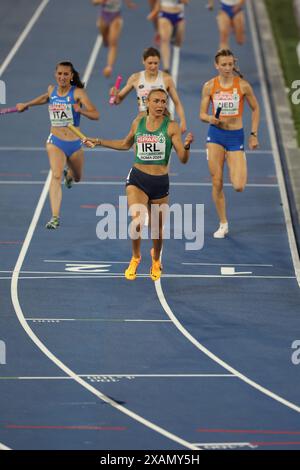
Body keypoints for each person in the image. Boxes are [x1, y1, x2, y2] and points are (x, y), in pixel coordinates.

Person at [84, 88, 193, 280]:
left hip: (160, 182)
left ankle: (156, 260)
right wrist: (99, 141)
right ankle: (135, 257)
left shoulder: (171, 126)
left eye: (163, 101)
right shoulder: (138, 122)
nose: (160, 105)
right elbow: (125, 144)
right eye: (156, 101)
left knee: (157, 230)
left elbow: (183, 159)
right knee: (137, 221)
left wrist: (187, 146)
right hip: (138, 178)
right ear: (147, 103)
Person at [16, 61, 99, 229]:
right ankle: (55, 217)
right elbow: (44, 98)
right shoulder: (51, 90)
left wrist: (80, 110)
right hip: (56, 141)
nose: (62, 77)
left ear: (71, 76)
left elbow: (95, 114)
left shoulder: (78, 93)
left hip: (75, 142)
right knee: (55, 175)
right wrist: (26, 104)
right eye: (59, 74)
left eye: (66, 74)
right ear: (56, 74)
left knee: (77, 177)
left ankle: (70, 175)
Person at [199, 49, 259, 238]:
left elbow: (255, 109)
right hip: (215, 136)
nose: (227, 68)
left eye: (230, 64)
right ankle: (223, 223)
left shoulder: (243, 86)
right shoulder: (209, 86)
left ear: (234, 64)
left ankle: (239, 158)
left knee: (239, 186)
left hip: (235, 137)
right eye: (223, 65)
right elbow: (201, 114)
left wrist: (253, 134)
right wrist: (210, 118)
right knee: (216, 181)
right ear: (216, 65)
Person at [110, 46, 187, 133]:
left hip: (162, 120)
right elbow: (118, 100)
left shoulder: (166, 79)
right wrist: (115, 95)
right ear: (143, 61)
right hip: (143, 120)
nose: (153, 66)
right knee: (137, 145)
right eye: (150, 63)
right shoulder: (135, 78)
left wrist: (183, 121)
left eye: (156, 63)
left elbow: (177, 103)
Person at [92, 0, 136, 78]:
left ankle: (109, 67)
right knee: (105, 36)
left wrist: (129, 3)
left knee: (113, 43)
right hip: (103, 16)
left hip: (116, 17)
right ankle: (105, 38)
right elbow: (94, 2)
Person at [148, 0, 189, 74]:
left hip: (178, 14)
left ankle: (173, 33)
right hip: (164, 13)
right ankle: (166, 68)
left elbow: (186, 2)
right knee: (164, 40)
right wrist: (155, 11)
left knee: (179, 42)